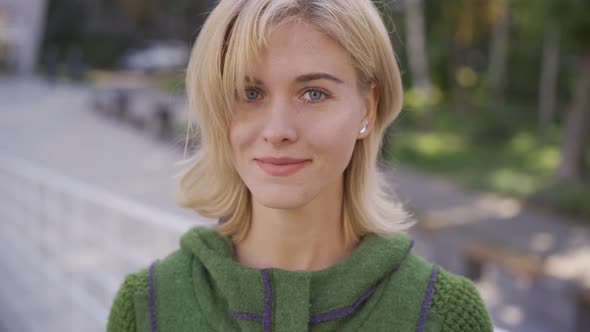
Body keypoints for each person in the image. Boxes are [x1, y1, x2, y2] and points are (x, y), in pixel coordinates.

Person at [107, 0, 493, 331]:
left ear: (367, 108)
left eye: (313, 93)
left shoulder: (445, 316)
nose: (278, 131)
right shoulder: (146, 309)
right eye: (249, 93)